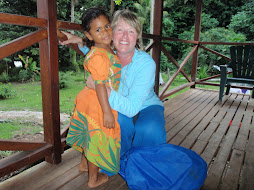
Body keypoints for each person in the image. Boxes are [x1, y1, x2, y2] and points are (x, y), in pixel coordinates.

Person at [61, 9, 207, 190]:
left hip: (145, 106)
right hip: (117, 106)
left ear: (137, 36)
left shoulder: (146, 63)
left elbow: (131, 108)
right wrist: (78, 41)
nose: (124, 36)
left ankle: (145, 166)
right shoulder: (107, 53)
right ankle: (113, 160)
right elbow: (94, 54)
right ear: (112, 32)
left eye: (131, 31)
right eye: (120, 30)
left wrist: (104, 90)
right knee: (115, 122)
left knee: (150, 129)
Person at [65, 7, 121, 188]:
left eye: (106, 26)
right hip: (99, 102)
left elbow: (93, 47)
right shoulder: (100, 56)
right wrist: (107, 112)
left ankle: (83, 165)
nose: (105, 32)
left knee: (90, 134)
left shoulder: (101, 49)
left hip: (89, 100)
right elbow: (99, 84)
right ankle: (93, 179)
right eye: (98, 30)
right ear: (90, 35)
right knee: (97, 140)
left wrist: (78, 40)